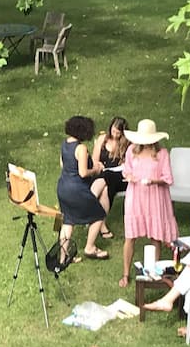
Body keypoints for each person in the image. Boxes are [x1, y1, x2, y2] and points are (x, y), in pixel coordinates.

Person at [118, 119, 178, 288]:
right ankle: (125, 273)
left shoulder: (162, 154)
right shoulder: (131, 151)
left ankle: (154, 272)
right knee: (130, 236)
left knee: (155, 236)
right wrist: (129, 176)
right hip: (135, 196)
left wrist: (153, 181)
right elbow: (126, 170)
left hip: (155, 196)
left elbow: (168, 178)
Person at [55, 116, 110, 264]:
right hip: (76, 189)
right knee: (98, 214)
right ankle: (90, 247)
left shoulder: (64, 144)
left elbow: (62, 164)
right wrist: (96, 169)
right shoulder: (81, 148)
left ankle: (63, 257)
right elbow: (83, 173)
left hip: (63, 187)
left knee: (68, 220)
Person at [92, 116, 130, 239]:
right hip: (104, 175)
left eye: (118, 133)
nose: (115, 135)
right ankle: (102, 225)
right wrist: (98, 165)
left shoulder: (127, 143)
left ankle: (90, 200)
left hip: (120, 176)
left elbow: (129, 164)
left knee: (109, 176)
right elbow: (94, 160)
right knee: (105, 189)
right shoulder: (103, 139)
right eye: (113, 131)